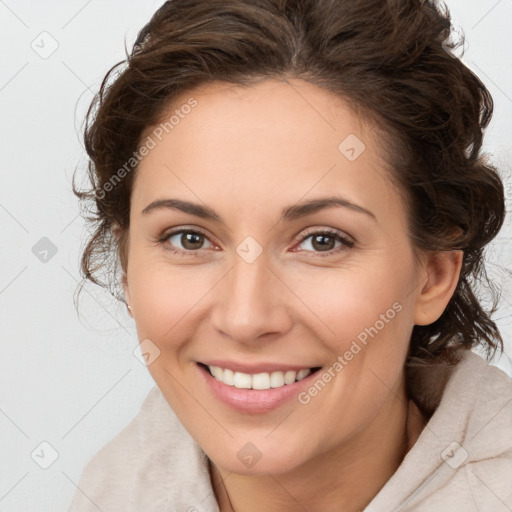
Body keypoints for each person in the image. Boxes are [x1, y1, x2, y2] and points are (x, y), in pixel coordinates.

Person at [68, 0, 512, 510]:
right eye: (189, 238)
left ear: (433, 273)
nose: (245, 318)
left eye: (323, 240)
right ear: (127, 268)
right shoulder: (108, 491)